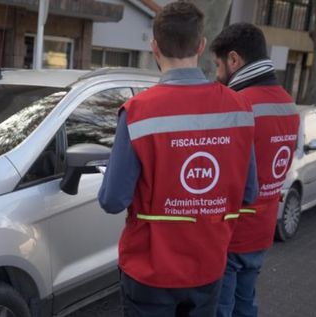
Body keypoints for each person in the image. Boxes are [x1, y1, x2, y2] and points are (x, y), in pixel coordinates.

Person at [98, 3, 258, 317]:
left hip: (150, 271)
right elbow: (248, 193)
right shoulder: (239, 109)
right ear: (201, 46)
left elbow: (113, 200)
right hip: (209, 265)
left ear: (154, 46)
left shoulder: (137, 111)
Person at [210, 23, 300, 317]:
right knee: (246, 304)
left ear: (234, 60)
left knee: (221, 309)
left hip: (232, 231)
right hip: (262, 229)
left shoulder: (238, 105)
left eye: (217, 64)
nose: (215, 73)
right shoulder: (289, 105)